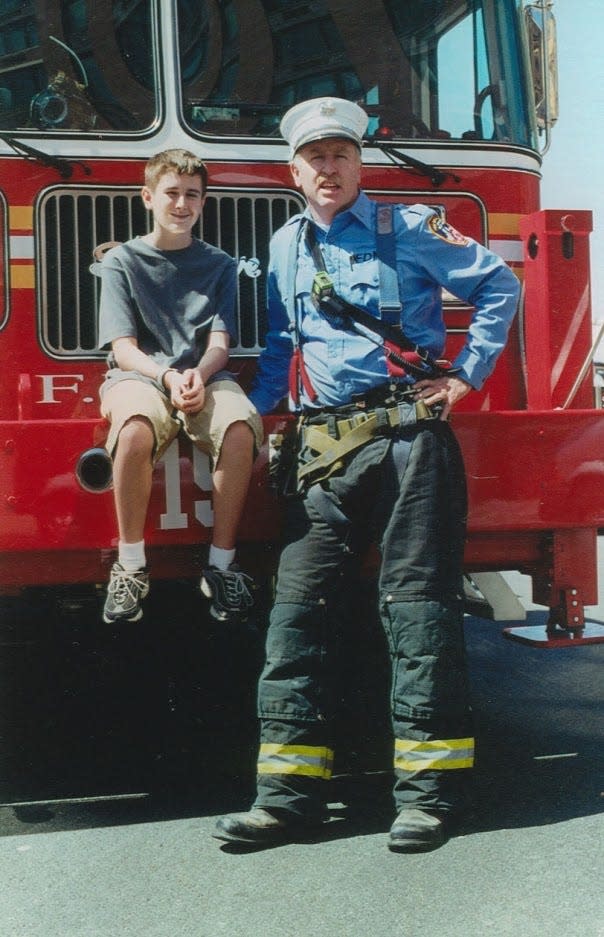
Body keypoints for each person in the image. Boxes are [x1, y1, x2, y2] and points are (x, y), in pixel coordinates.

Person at [213, 97, 520, 853]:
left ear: (359, 163)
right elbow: (283, 346)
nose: (328, 167)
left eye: (340, 153)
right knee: (296, 617)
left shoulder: (410, 228)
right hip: (321, 455)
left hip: (411, 447)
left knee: (416, 615)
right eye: (314, 156)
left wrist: (463, 377)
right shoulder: (284, 246)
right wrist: (236, 416)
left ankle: (428, 800)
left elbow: (499, 287)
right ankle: (285, 800)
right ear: (294, 171)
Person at [96, 148, 263, 625]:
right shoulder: (121, 262)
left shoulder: (220, 265)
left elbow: (220, 341)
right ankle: (130, 567)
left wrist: (200, 374)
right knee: (133, 431)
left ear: (203, 202)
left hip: (203, 375)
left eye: (192, 195)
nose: (181, 204)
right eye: (171, 193)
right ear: (148, 197)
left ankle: (222, 566)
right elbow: (123, 348)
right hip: (139, 376)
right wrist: (167, 375)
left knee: (237, 429)